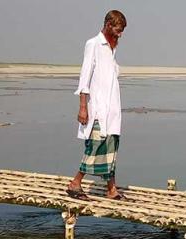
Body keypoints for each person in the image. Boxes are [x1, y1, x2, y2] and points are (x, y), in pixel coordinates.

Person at [66, 10, 127, 201]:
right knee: (95, 146)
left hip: (112, 110)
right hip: (98, 109)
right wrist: (83, 107)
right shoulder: (93, 44)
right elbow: (84, 78)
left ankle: (111, 189)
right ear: (108, 25)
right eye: (118, 30)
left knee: (111, 148)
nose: (120, 34)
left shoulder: (111, 48)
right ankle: (75, 183)